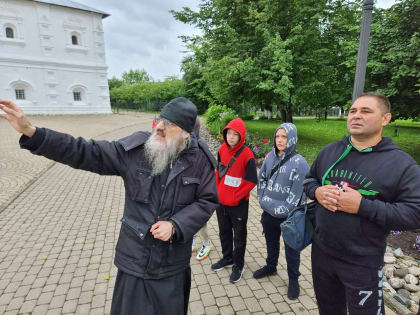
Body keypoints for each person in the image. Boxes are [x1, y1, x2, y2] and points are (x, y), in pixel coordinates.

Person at [0, 97, 218, 315]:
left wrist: (176, 225)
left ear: (186, 133)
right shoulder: (138, 149)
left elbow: (207, 201)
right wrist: (31, 131)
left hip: (172, 268)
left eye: (170, 124)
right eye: (160, 119)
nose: (159, 127)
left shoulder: (201, 160)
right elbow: (85, 151)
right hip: (135, 262)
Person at [304, 92, 420, 315]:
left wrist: (362, 206)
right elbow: (309, 180)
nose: (356, 116)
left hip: (362, 262)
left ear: (385, 119)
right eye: (353, 111)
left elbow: (415, 213)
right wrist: (317, 192)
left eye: (366, 111)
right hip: (322, 253)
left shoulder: (401, 164)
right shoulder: (330, 151)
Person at [254, 123, 309, 300]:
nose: (280, 140)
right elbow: (261, 178)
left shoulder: (300, 163)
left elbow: (296, 194)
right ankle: (271, 266)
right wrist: (262, 200)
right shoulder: (270, 157)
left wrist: (279, 209)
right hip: (268, 213)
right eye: (277, 136)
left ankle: (293, 279)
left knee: (292, 250)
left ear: (292, 138)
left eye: (284, 137)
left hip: (289, 217)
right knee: (271, 242)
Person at [211, 118, 257, 283]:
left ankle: (239, 264)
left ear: (241, 136)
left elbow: (251, 181)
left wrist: (235, 197)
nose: (231, 137)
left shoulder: (247, 155)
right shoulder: (222, 149)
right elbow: (218, 171)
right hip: (221, 203)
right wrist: (217, 192)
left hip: (238, 204)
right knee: (224, 232)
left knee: (239, 236)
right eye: (229, 133)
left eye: (235, 134)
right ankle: (227, 258)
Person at [191, 118, 215, 261]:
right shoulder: (184, 143)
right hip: (187, 187)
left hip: (199, 187)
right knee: (186, 215)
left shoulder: (200, 144)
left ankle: (206, 243)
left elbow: (212, 163)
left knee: (199, 219)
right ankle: (192, 239)